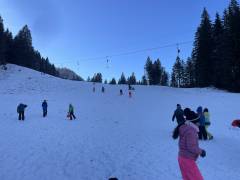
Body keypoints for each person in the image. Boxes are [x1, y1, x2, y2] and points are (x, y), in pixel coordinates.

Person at [173, 108, 206, 180]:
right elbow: (191, 147)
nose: (199, 123)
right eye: (198, 122)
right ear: (194, 122)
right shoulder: (191, 131)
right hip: (187, 159)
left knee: (188, 178)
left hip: (182, 157)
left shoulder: (186, 127)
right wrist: (201, 151)